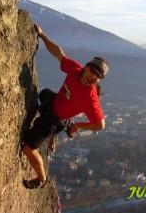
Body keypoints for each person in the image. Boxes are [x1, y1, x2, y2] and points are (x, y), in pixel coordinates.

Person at [22, 24, 109, 189]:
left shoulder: (90, 98)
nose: (93, 77)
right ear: (86, 67)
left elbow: (100, 124)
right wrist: (42, 35)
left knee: (28, 148)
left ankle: (41, 179)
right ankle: (51, 135)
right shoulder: (75, 70)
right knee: (43, 93)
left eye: (98, 77)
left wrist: (76, 126)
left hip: (55, 119)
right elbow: (59, 54)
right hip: (54, 102)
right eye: (93, 71)